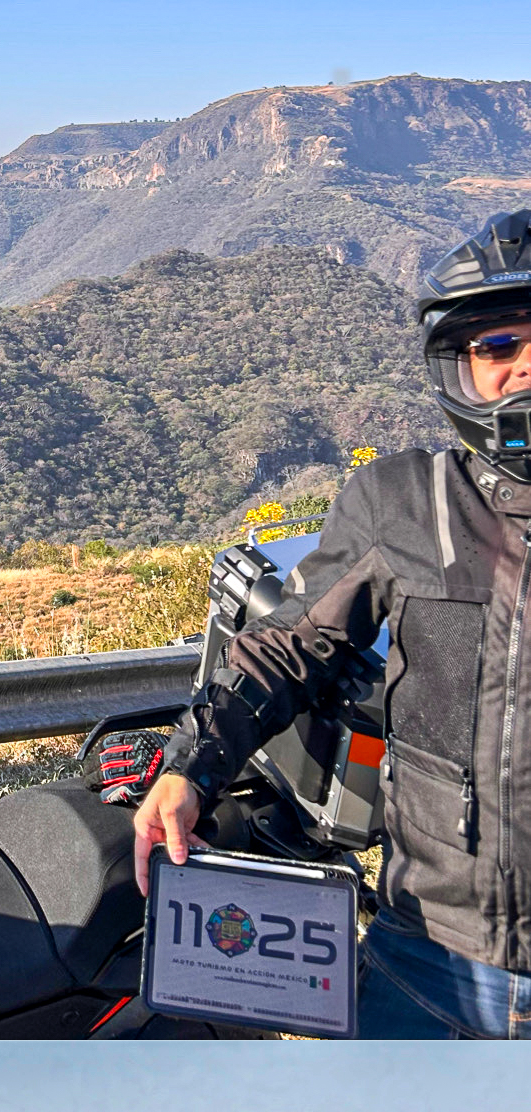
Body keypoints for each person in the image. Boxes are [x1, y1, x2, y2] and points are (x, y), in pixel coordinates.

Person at [132, 209, 531, 1038]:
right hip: (434, 950)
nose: (526, 371)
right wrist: (189, 768)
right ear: (460, 364)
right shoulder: (405, 503)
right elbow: (294, 645)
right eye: (500, 348)